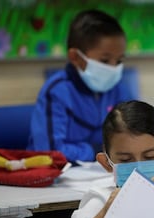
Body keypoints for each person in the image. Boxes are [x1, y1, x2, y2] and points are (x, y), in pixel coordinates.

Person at [27, 9, 138, 163]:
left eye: (119, 61)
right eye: (105, 61)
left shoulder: (118, 88)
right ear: (76, 57)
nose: (113, 69)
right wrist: (95, 151)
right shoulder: (56, 91)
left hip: (103, 176)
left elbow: (134, 134)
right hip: (57, 180)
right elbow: (50, 152)